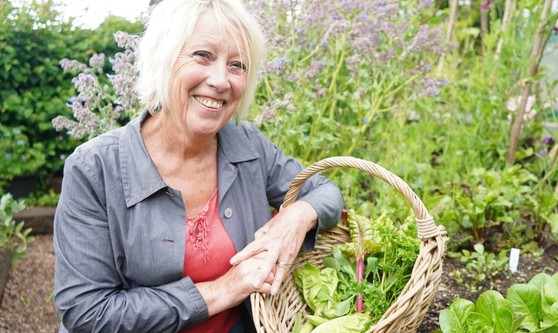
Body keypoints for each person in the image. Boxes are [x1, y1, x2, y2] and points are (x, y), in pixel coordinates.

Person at [52, 0, 344, 332]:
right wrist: (225, 289)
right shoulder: (94, 170)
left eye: (237, 65)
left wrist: (296, 217)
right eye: (203, 56)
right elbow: (87, 313)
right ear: (163, 59)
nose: (220, 80)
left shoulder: (247, 145)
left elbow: (326, 191)